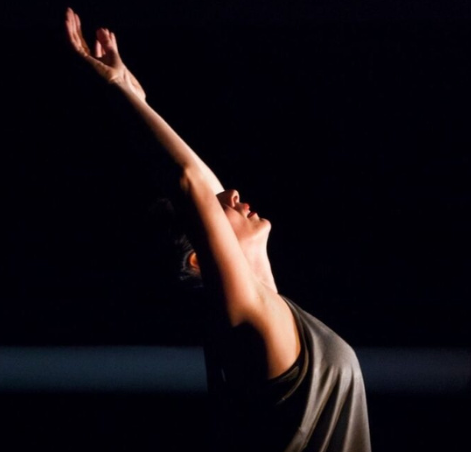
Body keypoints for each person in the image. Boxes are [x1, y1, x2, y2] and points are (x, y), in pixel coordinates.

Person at [64, 9, 372, 451]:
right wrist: (117, 92)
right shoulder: (250, 323)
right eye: (215, 209)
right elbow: (189, 181)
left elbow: (202, 183)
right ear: (198, 257)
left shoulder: (268, 309)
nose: (230, 195)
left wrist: (133, 93)